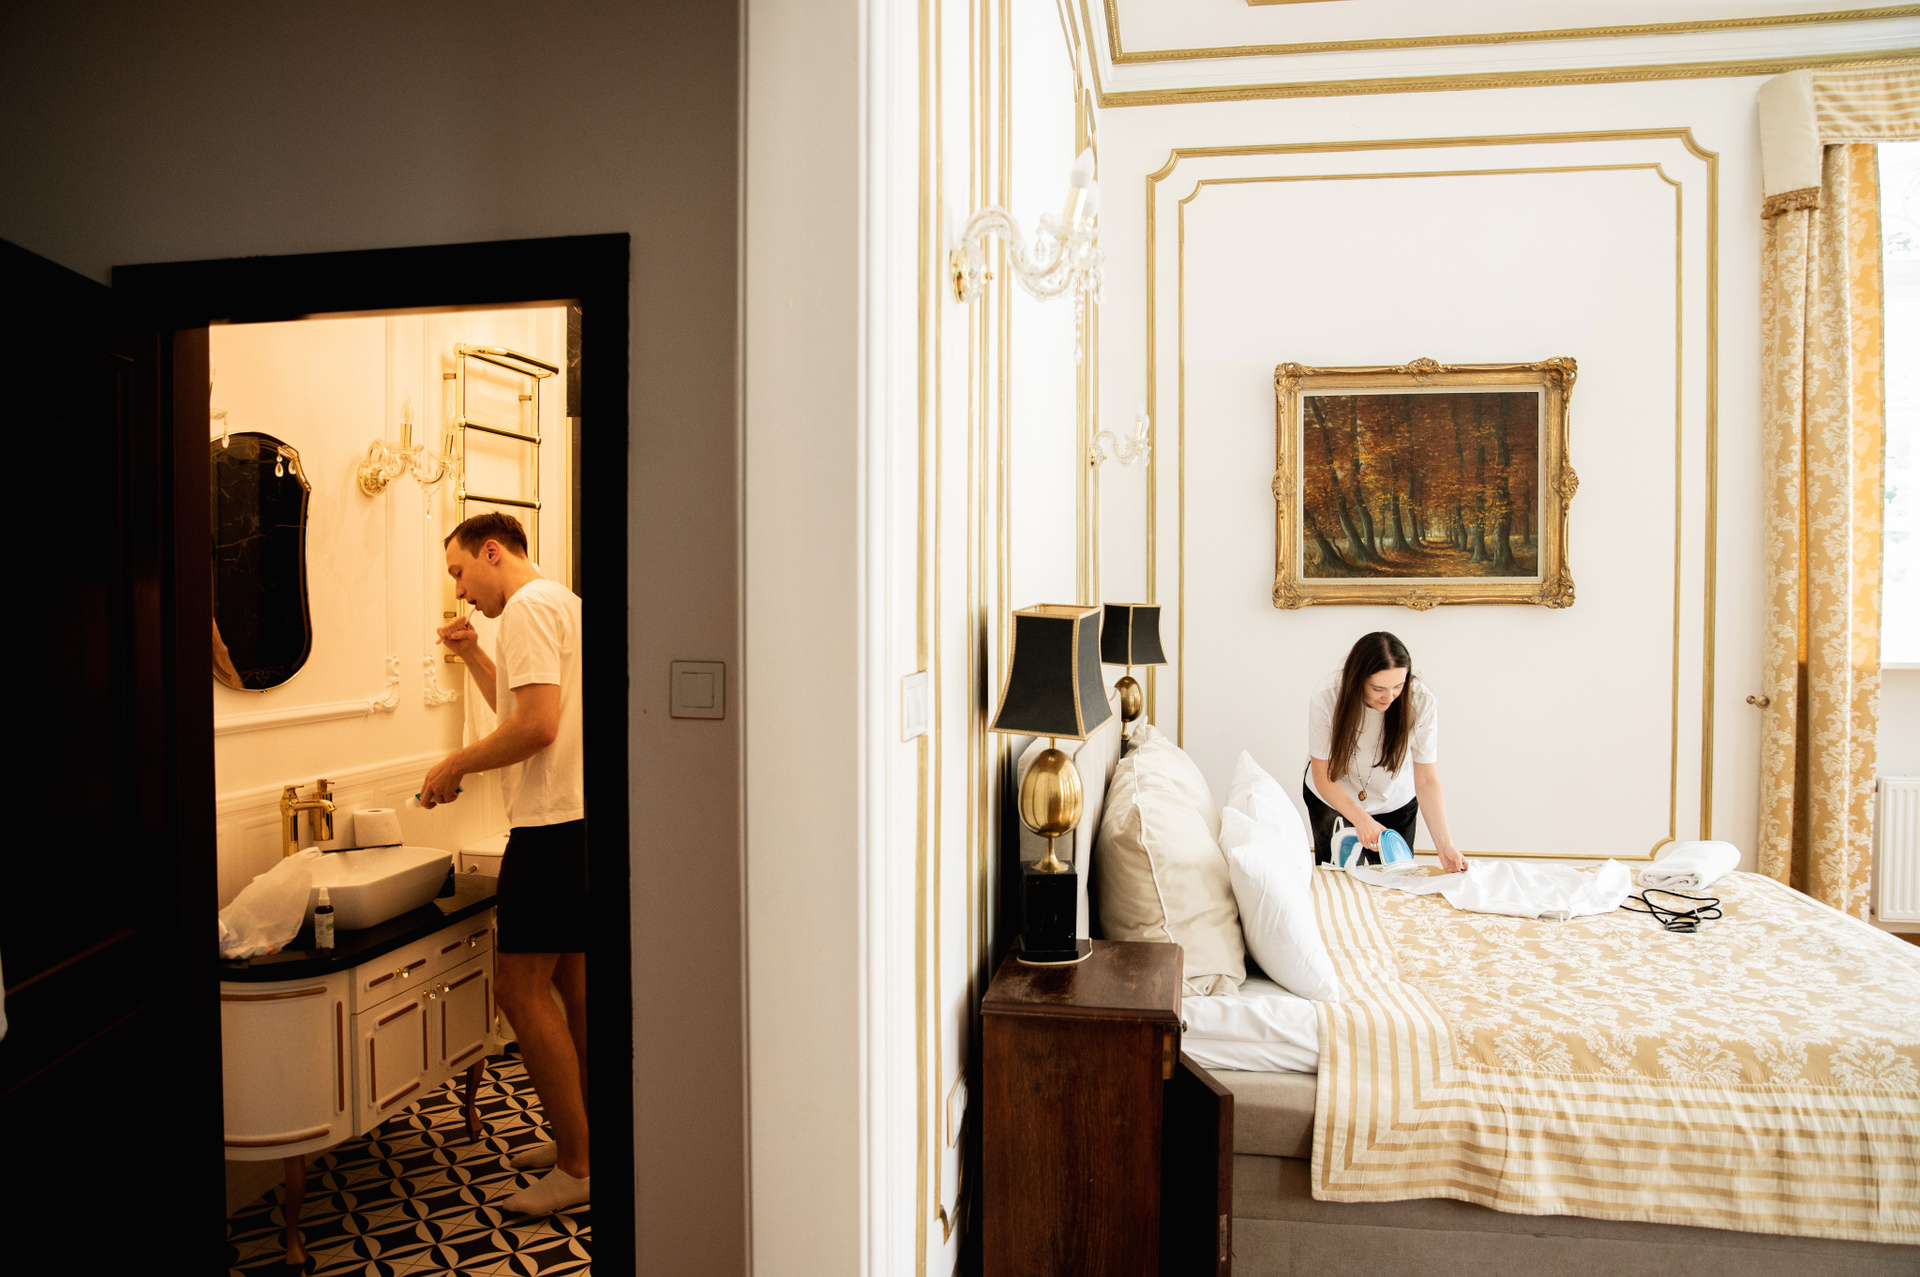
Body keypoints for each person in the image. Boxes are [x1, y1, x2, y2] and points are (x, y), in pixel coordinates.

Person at [419, 512, 589, 1215]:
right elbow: (526, 710)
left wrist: (453, 764)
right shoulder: (563, 601)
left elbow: (537, 728)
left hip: (549, 828)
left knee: (518, 991)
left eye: (459, 572)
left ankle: (578, 1164)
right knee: (576, 986)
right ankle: (590, 1141)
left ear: (493, 552)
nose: (460, 591)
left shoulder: (525, 607)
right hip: (580, 821)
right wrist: (472, 656)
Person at [1303, 631, 1467, 873]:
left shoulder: (1421, 701)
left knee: (1398, 879)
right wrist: (1361, 820)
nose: (1389, 697)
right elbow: (1323, 775)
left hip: (1395, 800)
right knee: (1342, 880)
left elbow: (1426, 779)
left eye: (1398, 686)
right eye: (1378, 688)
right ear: (1357, 680)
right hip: (1335, 797)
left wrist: (1445, 846)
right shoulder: (1327, 697)